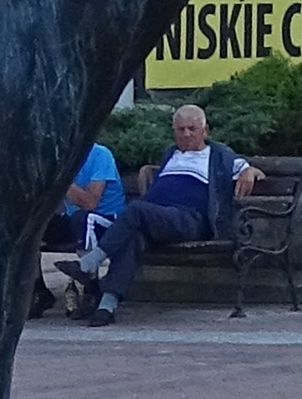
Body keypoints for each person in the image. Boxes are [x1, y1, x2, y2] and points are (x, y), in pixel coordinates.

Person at [87, 104, 253, 323]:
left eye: (192, 129)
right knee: (133, 238)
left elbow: (247, 169)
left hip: (191, 219)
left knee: (136, 209)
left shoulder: (218, 154)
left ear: (205, 130)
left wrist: (248, 171)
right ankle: (106, 307)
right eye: (181, 129)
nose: (186, 134)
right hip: (160, 218)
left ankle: (91, 262)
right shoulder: (171, 154)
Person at [38, 133, 126, 321]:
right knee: (33, 227)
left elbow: (90, 202)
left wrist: (60, 179)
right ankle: (38, 292)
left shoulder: (100, 155)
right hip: (75, 220)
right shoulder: (58, 157)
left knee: (84, 219)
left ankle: (91, 289)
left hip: (107, 220)